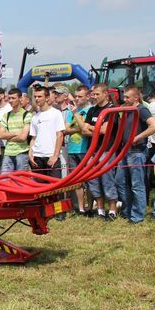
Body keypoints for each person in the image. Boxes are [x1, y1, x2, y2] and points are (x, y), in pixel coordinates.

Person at [74, 83, 119, 220]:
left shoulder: (111, 110)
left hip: (106, 150)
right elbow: (84, 130)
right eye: (93, 94)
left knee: (107, 179)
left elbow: (105, 131)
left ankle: (112, 210)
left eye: (97, 94)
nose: (94, 96)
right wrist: (94, 129)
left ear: (105, 94)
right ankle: (99, 210)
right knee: (93, 180)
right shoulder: (92, 110)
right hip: (92, 150)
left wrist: (91, 127)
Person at [116, 85, 155, 223]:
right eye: (124, 96)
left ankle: (137, 216)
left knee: (137, 185)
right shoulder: (128, 110)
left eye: (127, 97)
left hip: (137, 152)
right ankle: (127, 210)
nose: (125, 99)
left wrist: (138, 137)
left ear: (136, 97)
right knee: (120, 182)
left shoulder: (141, 110)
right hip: (125, 151)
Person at [63, 85, 91, 215]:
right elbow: (66, 129)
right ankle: (80, 207)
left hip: (86, 149)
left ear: (87, 96)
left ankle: (89, 207)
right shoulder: (72, 111)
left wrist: (76, 116)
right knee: (76, 181)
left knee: (89, 179)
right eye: (76, 96)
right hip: (72, 150)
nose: (77, 99)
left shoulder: (90, 110)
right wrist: (80, 128)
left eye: (80, 96)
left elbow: (87, 130)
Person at [28, 87, 65, 179]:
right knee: (39, 188)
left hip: (51, 156)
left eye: (40, 96)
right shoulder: (34, 117)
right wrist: (30, 154)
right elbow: (33, 138)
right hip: (37, 157)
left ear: (47, 98)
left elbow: (60, 135)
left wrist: (55, 156)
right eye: (35, 96)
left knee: (54, 188)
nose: (37, 99)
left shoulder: (56, 113)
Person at [0, 88, 32, 173]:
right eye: (9, 98)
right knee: (4, 180)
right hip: (8, 152)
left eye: (13, 98)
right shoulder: (6, 115)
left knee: (21, 181)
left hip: (22, 153)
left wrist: (8, 136)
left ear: (20, 98)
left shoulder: (27, 115)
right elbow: (1, 135)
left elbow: (23, 137)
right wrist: (16, 133)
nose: (10, 100)